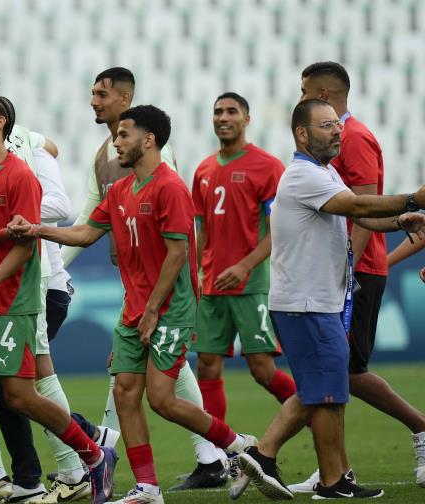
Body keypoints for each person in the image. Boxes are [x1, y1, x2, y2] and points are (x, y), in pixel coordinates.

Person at [11, 105, 258, 504]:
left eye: (123, 135)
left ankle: (237, 446)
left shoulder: (170, 186)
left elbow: (178, 254)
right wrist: (38, 228)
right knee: (126, 393)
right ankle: (147, 488)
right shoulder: (122, 190)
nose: (116, 142)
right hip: (135, 308)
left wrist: (154, 309)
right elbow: (86, 233)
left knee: (161, 399)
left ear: (148, 140)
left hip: (169, 308)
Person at [0, 62, 113, 504]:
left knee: (19, 394)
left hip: (14, 298)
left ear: (0, 122)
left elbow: (27, 246)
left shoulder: (21, 174)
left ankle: (91, 454)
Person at [237, 98, 425, 500]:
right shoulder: (304, 175)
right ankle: (289, 464)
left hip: (315, 301)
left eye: (337, 125)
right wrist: (414, 199)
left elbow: (358, 216)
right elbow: (355, 204)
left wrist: (399, 221)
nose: (337, 131)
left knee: (326, 392)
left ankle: (321, 474)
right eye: (326, 126)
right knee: (322, 392)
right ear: (302, 134)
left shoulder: (322, 173)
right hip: (306, 303)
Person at [60, 67, 228, 491]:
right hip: (137, 290)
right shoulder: (108, 156)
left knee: (155, 390)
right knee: (133, 386)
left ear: (124, 98)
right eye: (92, 93)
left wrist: (156, 302)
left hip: (164, 295)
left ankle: (223, 449)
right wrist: (54, 259)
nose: (94, 101)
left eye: (101, 94)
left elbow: (172, 236)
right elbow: (89, 221)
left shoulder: (154, 158)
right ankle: (190, 463)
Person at [286, 61, 425, 492]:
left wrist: (347, 274)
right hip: (347, 268)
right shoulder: (334, 143)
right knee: (335, 372)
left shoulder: (356, 138)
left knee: (341, 371)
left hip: (353, 270)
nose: (300, 97)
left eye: (305, 90)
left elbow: (362, 210)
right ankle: (335, 469)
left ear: (323, 96)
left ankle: (419, 430)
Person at [190, 92, 297, 497]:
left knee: (262, 370)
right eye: (217, 111)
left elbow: (278, 230)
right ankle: (226, 456)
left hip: (251, 284)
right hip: (212, 286)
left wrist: (246, 265)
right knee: (208, 368)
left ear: (247, 118)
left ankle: (307, 408)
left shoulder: (267, 166)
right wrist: (199, 274)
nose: (222, 117)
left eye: (231, 111)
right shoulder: (202, 170)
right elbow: (199, 231)